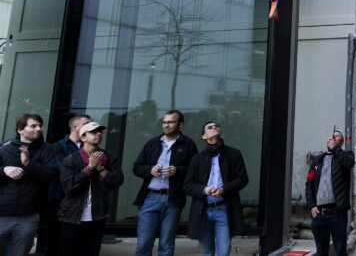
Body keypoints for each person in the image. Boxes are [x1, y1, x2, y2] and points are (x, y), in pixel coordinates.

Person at [132, 110, 198, 256]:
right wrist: (150, 170)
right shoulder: (152, 143)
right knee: (143, 243)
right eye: (164, 122)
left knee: (166, 244)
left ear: (180, 124)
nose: (166, 125)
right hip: (150, 197)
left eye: (171, 122)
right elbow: (137, 167)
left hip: (172, 198)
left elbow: (196, 171)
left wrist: (177, 170)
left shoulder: (188, 144)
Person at [57, 121, 124, 256]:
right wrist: (89, 169)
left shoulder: (108, 157)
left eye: (100, 132)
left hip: (97, 215)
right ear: (83, 137)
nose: (99, 134)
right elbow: (69, 187)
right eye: (93, 132)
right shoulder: (71, 159)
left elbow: (117, 181)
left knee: (91, 251)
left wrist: (101, 170)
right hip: (72, 216)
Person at [183, 122, 249, 256]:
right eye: (210, 127)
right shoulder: (197, 159)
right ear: (204, 136)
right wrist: (204, 190)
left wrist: (224, 189)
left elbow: (242, 179)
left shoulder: (234, 154)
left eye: (216, 126)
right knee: (206, 252)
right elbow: (187, 185)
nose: (214, 128)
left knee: (224, 251)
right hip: (203, 209)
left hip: (223, 208)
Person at [0, 114, 58, 256]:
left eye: (40, 126)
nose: (38, 129)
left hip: (28, 216)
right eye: (33, 126)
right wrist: (4, 170)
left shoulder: (47, 149)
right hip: (2, 214)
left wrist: (28, 164)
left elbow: (49, 176)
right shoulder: (4, 149)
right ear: (20, 129)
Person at [42, 114, 90, 256]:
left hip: (81, 199)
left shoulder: (90, 148)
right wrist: (88, 168)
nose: (90, 126)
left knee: (76, 241)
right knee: (54, 239)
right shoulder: (57, 147)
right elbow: (62, 170)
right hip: (59, 198)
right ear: (75, 127)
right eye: (86, 124)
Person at [306, 131, 354, 256]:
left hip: (337, 214)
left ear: (341, 143)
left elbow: (349, 163)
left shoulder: (347, 155)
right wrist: (311, 206)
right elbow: (309, 184)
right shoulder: (317, 161)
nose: (332, 137)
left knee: (340, 252)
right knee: (321, 252)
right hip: (319, 214)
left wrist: (335, 148)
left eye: (336, 136)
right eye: (330, 136)